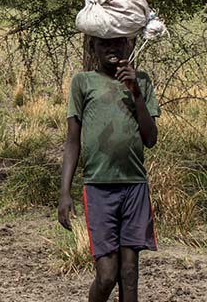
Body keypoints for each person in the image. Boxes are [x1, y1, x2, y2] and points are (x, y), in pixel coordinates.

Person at [58, 34, 160, 302]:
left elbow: (150, 139)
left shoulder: (142, 81)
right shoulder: (83, 82)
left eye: (118, 43)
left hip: (134, 185)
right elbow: (72, 140)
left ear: (129, 45)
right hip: (98, 186)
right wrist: (64, 193)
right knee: (106, 275)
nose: (112, 48)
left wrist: (134, 90)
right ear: (93, 47)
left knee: (129, 274)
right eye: (105, 43)